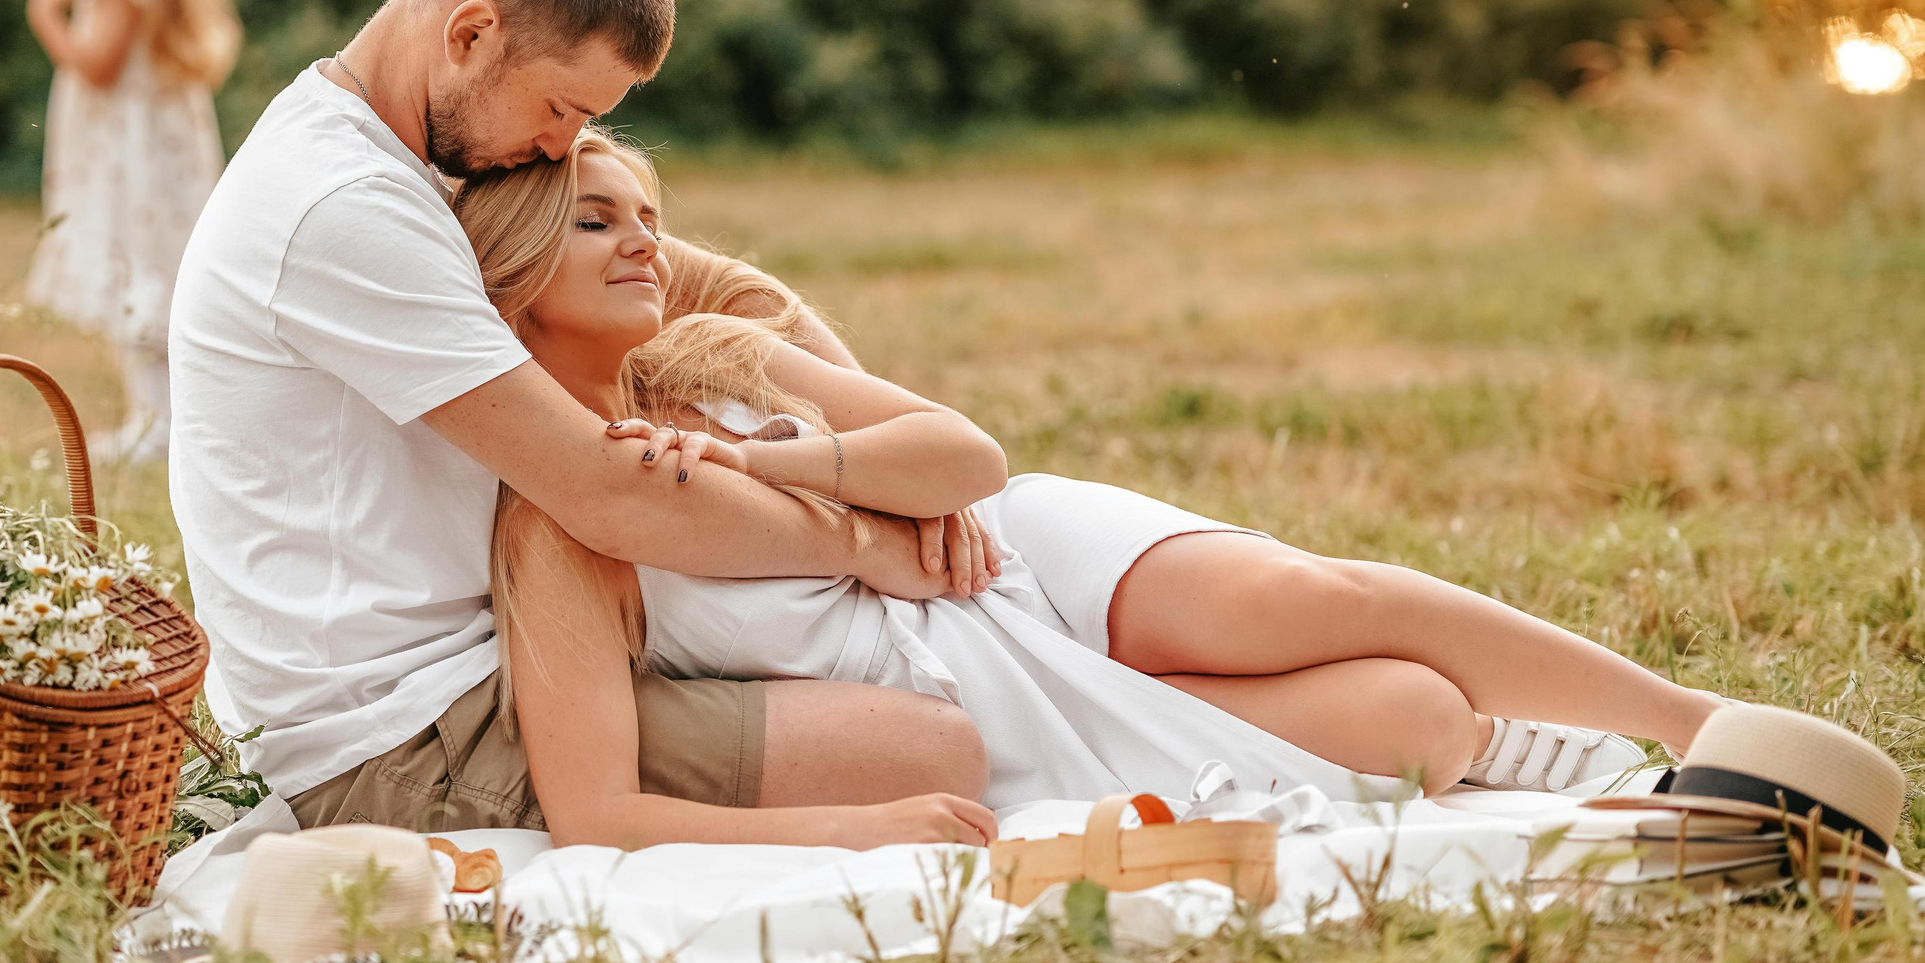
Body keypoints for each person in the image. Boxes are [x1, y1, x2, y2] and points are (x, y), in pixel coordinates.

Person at [458, 130, 1732, 849]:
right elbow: (595, 809)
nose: (646, 242)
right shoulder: (557, 515)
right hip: (986, 698)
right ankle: (1506, 735)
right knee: (1419, 727)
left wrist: (769, 458)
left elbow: (964, 459)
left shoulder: (720, 357)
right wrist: (865, 822)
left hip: (1014, 556)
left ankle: (1697, 724)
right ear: (513, 266)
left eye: (647, 210)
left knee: (1310, 594)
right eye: (594, 221)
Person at [168, 0, 994, 845]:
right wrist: (867, 537)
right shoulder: (341, 205)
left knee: (910, 680)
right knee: (934, 748)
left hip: (518, 648)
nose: (566, 148)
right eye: (561, 109)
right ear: (470, 34)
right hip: (405, 737)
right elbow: (609, 491)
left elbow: (709, 283)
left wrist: (872, 446)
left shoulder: (425, 151)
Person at [24, 0, 239, 465]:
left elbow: (98, 65)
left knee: (135, 268)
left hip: (128, 159)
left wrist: (46, 15)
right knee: (158, 271)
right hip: (160, 152)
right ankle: (163, 416)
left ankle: (159, 421)